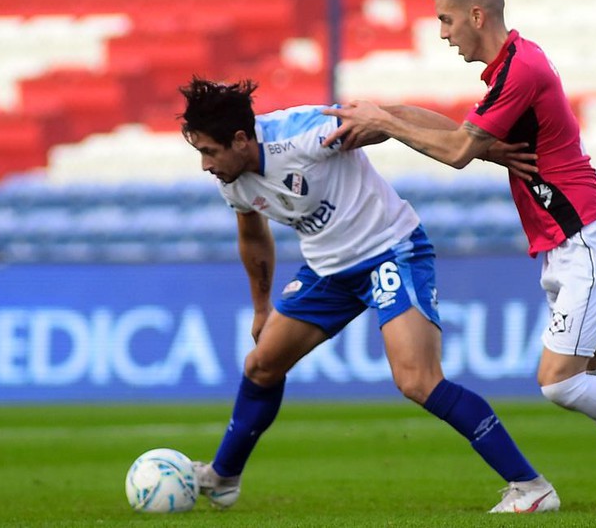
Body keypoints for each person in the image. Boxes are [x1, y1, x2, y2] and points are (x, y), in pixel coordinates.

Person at [322, 0, 596, 510]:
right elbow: (459, 135)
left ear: (478, 14)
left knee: (558, 381)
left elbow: (455, 153)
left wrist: (389, 123)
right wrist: (386, 114)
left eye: (447, 19)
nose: (443, 32)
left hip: (589, 237)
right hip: (568, 242)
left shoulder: (520, 70)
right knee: (592, 363)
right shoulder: (510, 68)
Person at [177, 76, 560, 514]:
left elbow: (393, 117)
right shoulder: (234, 179)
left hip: (390, 252)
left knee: (417, 380)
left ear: (241, 139)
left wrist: (478, 145)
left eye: (209, 152)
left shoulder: (306, 134)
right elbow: (252, 235)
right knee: (261, 365)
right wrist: (262, 307)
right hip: (328, 271)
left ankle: (530, 485)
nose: (206, 165)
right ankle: (224, 478)